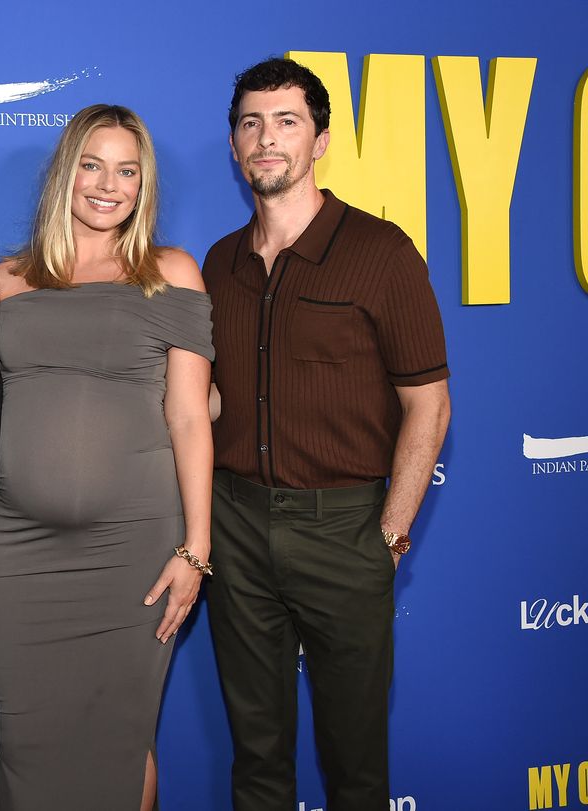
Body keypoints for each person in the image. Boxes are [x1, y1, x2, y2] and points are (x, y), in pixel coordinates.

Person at [203, 57, 451, 811]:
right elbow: (206, 403)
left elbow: (430, 404)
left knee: (356, 765)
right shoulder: (218, 262)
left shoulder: (382, 253)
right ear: (235, 144)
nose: (266, 138)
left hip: (344, 529)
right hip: (235, 527)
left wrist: (389, 531)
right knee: (257, 758)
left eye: (286, 121)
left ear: (321, 140)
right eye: (250, 123)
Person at [0, 104, 215, 810]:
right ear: (66, 173)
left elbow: (190, 414)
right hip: (16, 552)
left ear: (143, 183)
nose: (107, 184)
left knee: (118, 736)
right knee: (20, 739)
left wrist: (197, 549)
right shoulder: (7, 280)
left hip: (134, 551)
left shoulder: (170, 271)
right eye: (92, 164)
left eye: (127, 169)